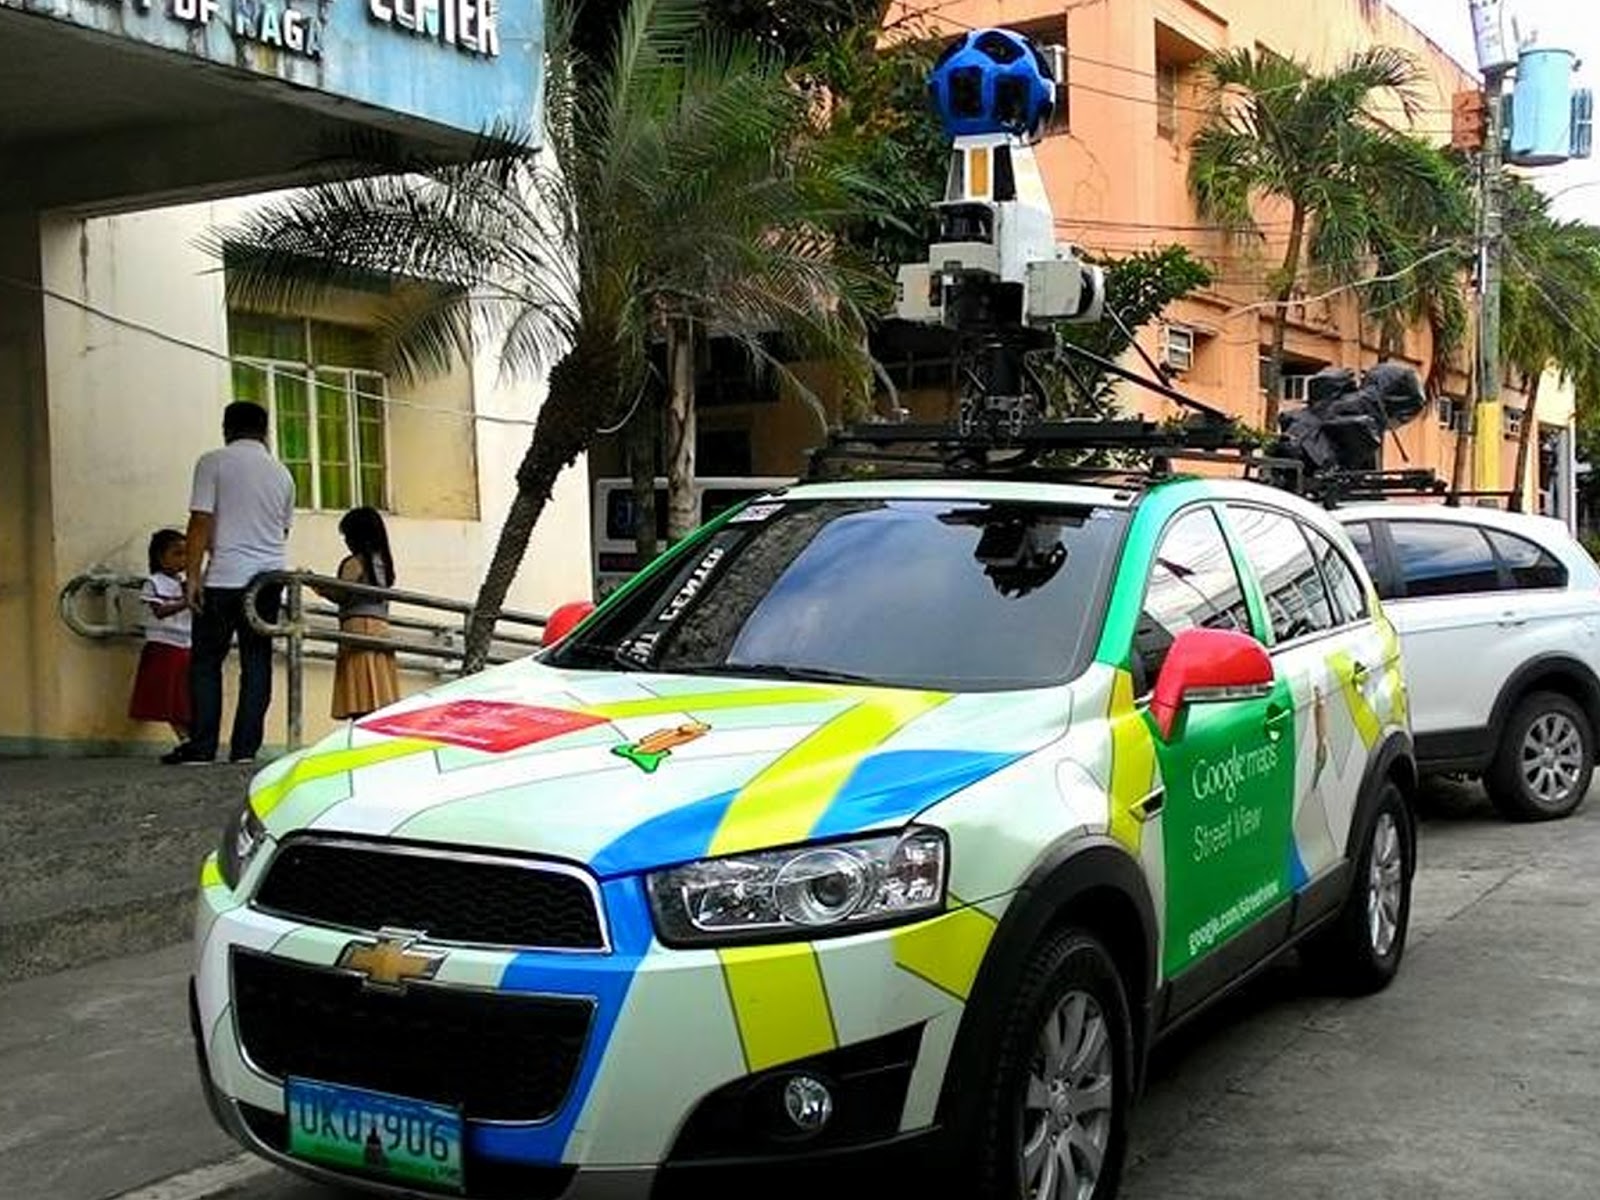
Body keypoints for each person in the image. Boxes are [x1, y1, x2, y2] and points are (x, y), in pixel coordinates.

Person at [167, 400, 295, 766]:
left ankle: (203, 747)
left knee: (207, 661)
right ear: (265, 430)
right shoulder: (282, 473)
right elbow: (282, 529)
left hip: (224, 577)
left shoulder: (213, 462)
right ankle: (244, 750)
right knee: (257, 663)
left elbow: (200, 522)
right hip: (269, 578)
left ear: (227, 428)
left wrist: (193, 575)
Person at [316, 506, 400, 720]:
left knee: (360, 695)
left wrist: (315, 583)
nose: (346, 541)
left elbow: (340, 593)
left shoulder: (355, 563)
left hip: (357, 628)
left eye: (347, 536)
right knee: (379, 695)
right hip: (381, 628)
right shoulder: (383, 562)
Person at [128, 529, 193, 749]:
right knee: (170, 698)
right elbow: (159, 611)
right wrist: (186, 601)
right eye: (177, 554)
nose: (182, 560)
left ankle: (192, 737)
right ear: (159, 557)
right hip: (164, 644)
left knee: (185, 696)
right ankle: (184, 738)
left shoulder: (187, 582)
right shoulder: (154, 582)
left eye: (186, 554)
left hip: (187, 643)